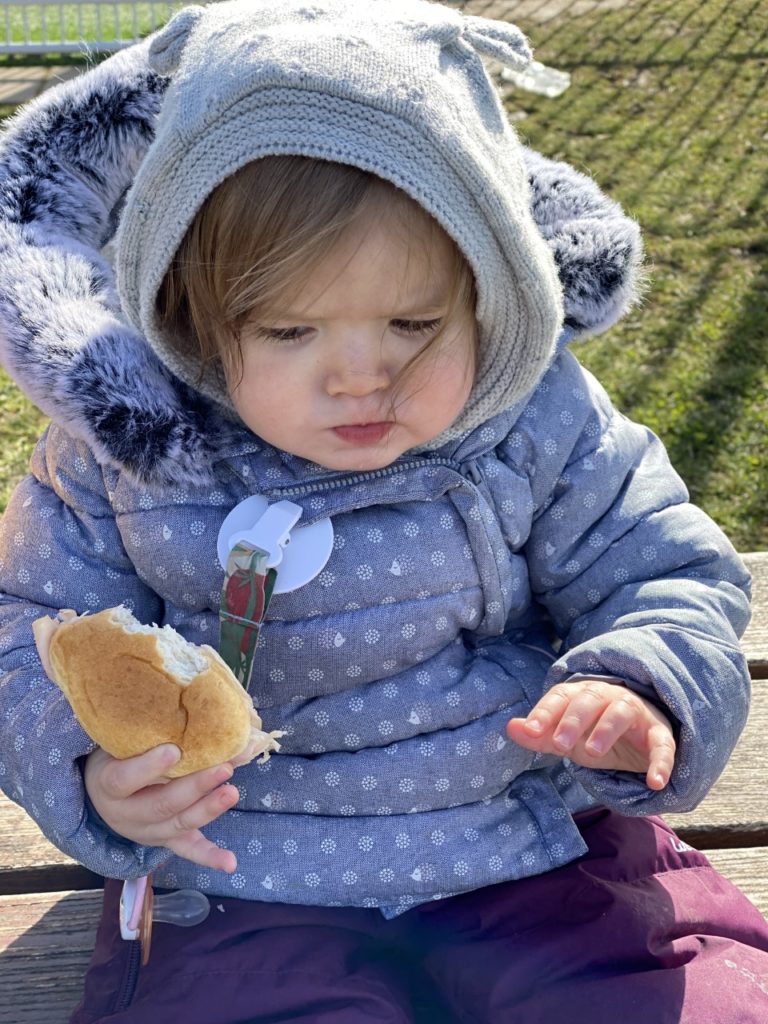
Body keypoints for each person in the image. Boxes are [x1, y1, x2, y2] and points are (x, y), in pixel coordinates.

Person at [0, 1, 767, 1021]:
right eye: (289, 329)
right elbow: (25, 634)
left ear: (492, 288)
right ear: (186, 312)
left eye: (414, 320)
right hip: (244, 881)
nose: (363, 377)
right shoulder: (128, 458)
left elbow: (664, 570)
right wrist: (89, 765)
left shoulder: (532, 420)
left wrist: (645, 684)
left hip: (544, 846)